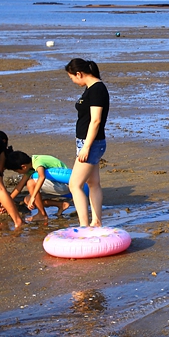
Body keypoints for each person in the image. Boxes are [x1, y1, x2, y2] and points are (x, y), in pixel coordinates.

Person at [65, 58, 108, 227]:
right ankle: (96, 222)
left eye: (72, 78)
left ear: (79, 74)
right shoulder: (91, 89)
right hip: (88, 142)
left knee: (74, 185)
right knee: (93, 183)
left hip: (91, 143)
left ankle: (84, 225)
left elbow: (96, 120)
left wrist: (86, 147)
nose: (73, 81)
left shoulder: (97, 89)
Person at [6, 151, 73, 222]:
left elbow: (42, 177)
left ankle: (42, 214)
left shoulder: (37, 162)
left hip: (64, 184)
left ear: (23, 167)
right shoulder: (30, 167)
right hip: (55, 186)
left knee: (31, 183)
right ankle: (61, 205)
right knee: (27, 200)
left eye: (17, 171)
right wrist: (6, 203)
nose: (19, 173)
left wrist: (33, 197)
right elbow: (19, 186)